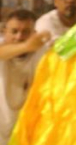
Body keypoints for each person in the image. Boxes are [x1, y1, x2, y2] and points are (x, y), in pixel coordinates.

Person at [0, 9, 49, 142]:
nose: (19, 37)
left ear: (34, 34)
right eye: (14, 31)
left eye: (26, 32)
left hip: (27, 131)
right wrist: (26, 46)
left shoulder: (43, 54)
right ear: (4, 32)